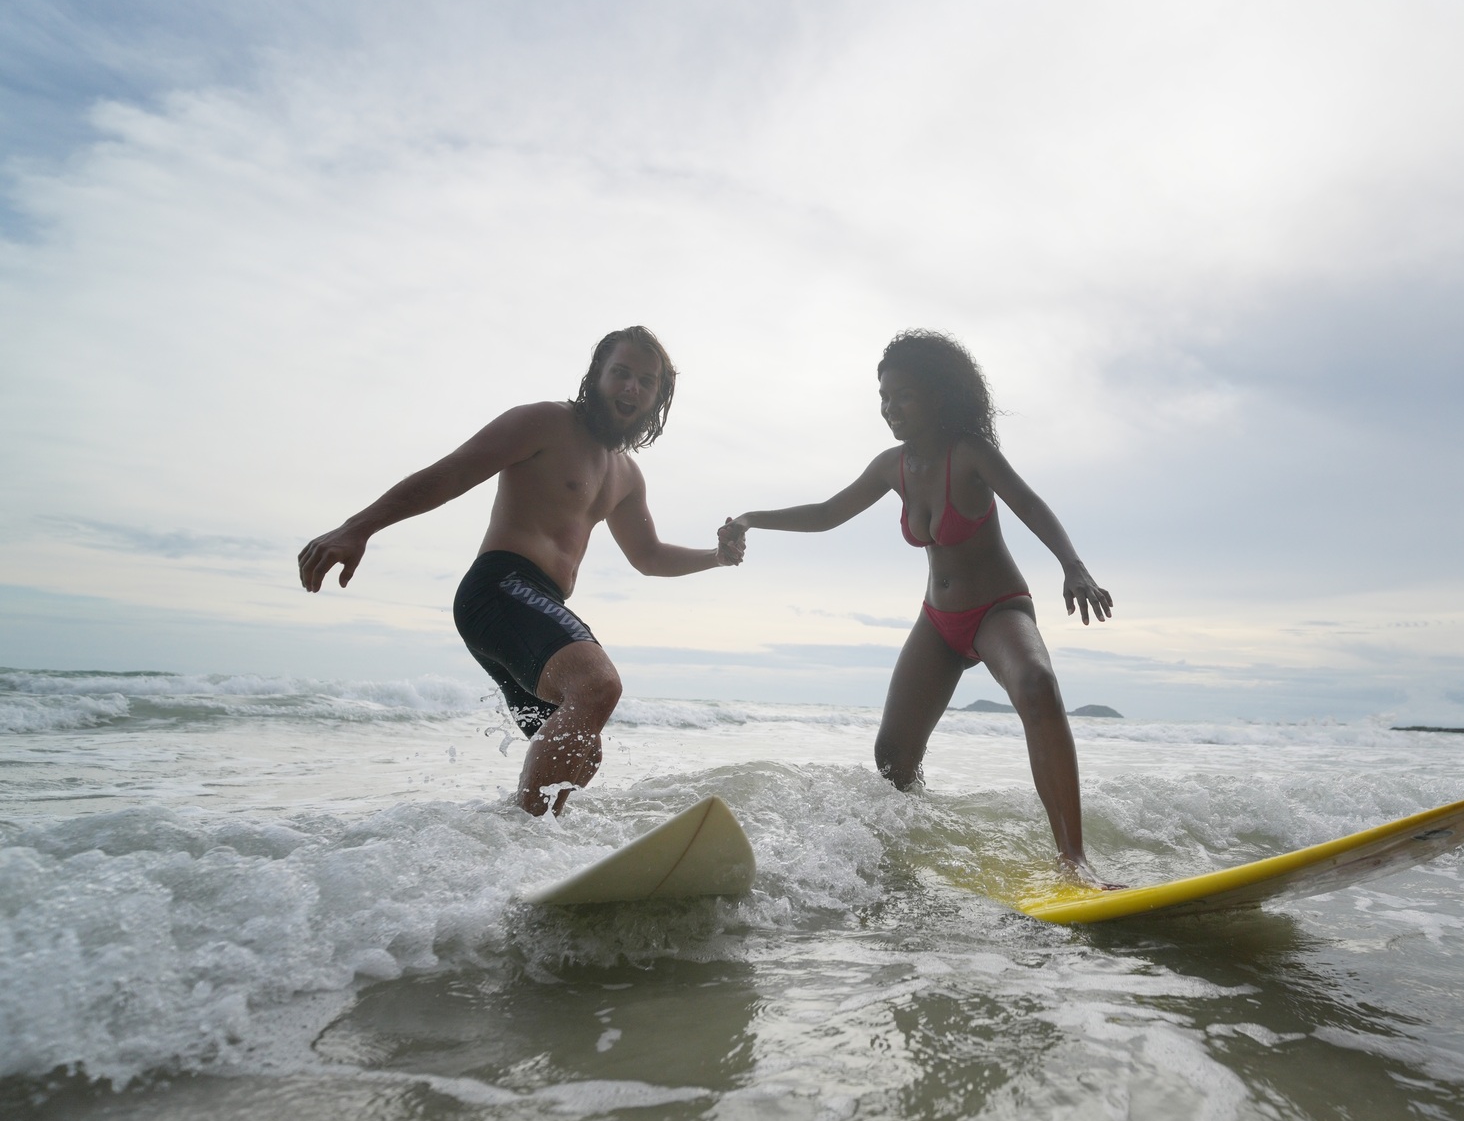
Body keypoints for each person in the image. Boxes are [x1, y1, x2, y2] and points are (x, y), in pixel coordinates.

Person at [298, 326, 741, 816]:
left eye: (645, 380)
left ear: (658, 397)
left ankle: (524, 852)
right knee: (597, 686)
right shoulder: (545, 424)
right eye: (620, 373)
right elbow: (453, 472)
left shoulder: (627, 475)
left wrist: (715, 557)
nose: (631, 387)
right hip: (499, 590)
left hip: (540, 607)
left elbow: (649, 556)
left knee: (583, 751)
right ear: (597, 376)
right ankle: (526, 841)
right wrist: (356, 528)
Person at [723, 330, 1115, 880]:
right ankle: (909, 850)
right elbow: (828, 512)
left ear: (938, 395)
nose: (890, 408)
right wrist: (749, 518)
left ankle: (1074, 861)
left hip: (997, 610)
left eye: (903, 395)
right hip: (939, 621)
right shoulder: (893, 466)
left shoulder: (971, 454)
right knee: (893, 755)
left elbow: (1028, 501)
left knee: (1035, 685)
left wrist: (1073, 566)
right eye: (883, 397)